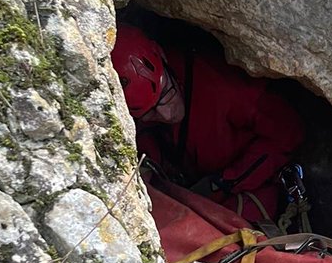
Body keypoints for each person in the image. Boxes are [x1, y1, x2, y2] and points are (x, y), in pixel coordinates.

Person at [111, 23, 305, 225]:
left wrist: (226, 181)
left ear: (163, 57)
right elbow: (146, 137)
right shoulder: (141, 113)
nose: (166, 114)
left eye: (164, 96)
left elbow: (288, 131)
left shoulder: (226, 90)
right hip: (192, 188)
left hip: (250, 188)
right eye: (150, 112)